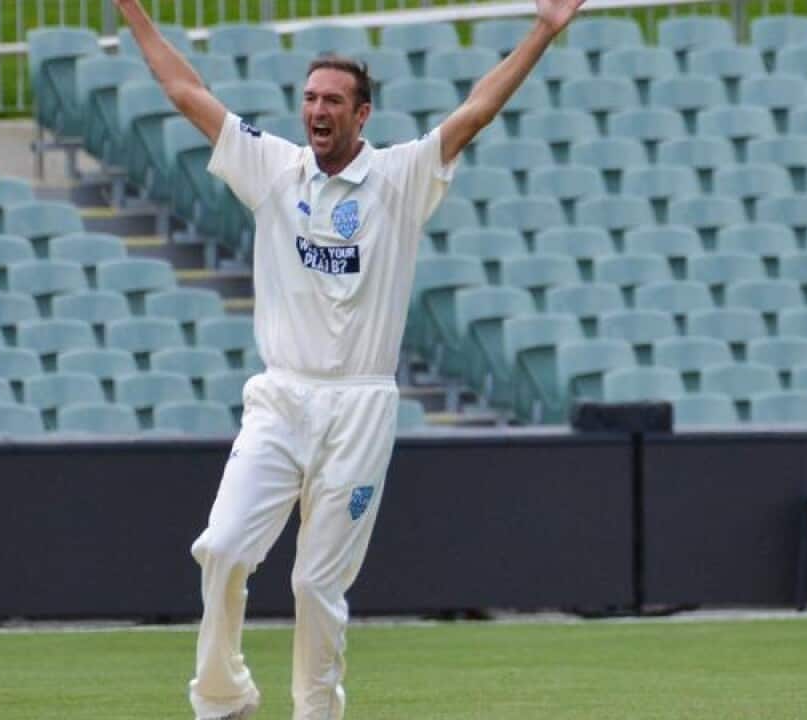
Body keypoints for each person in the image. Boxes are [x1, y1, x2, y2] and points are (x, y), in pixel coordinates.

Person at [115, 0, 586, 717]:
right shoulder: (274, 169)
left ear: (362, 114)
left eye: (333, 99)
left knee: (315, 586)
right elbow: (187, 93)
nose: (317, 110)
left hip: (361, 406)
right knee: (221, 548)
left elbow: (475, 112)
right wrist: (134, 12)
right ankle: (223, 697)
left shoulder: (399, 179)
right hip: (281, 399)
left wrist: (543, 32)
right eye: (309, 98)